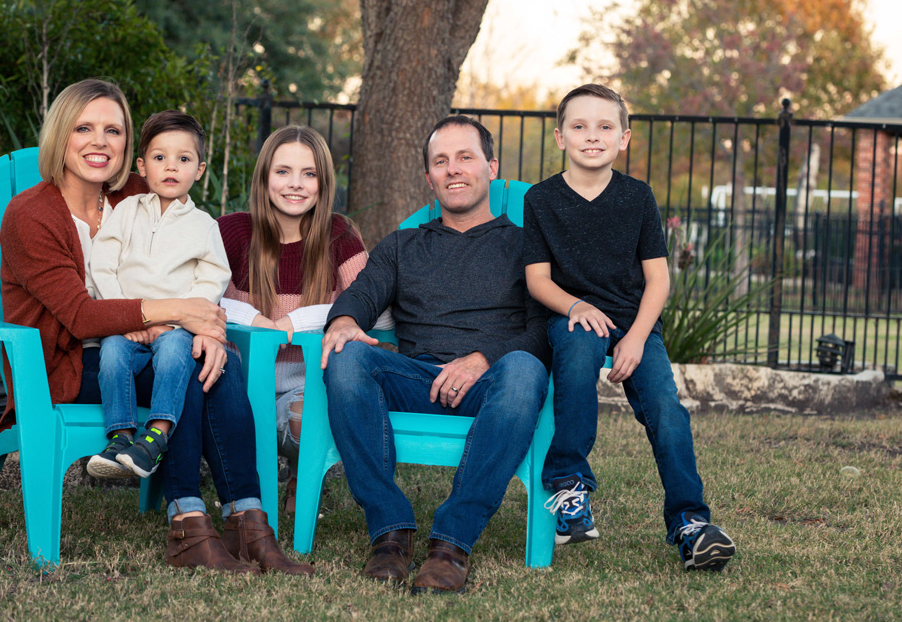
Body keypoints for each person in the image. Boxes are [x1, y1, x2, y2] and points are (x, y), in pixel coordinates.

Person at [0, 78, 312, 575]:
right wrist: (179, 315)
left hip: (144, 346)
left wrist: (207, 330)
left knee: (215, 363)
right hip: (67, 364)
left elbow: (189, 263)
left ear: (130, 146)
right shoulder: (31, 215)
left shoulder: (136, 192)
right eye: (83, 128)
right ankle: (191, 524)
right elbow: (80, 315)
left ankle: (246, 523)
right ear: (60, 135)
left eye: (113, 130)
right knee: (187, 371)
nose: (100, 142)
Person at [320, 116, 551, 595]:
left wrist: (482, 358)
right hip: (416, 381)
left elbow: (542, 331)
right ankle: (390, 530)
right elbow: (363, 293)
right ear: (429, 178)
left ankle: (451, 544)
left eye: (465, 157)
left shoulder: (527, 247)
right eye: (441, 161)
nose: (454, 169)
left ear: (491, 168)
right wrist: (343, 320)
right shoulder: (403, 245)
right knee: (346, 355)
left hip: (493, 386)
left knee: (526, 369)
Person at [522, 83, 735, 570]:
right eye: (579, 126)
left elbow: (658, 279)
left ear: (624, 138)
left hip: (633, 320)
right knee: (578, 355)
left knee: (665, 406)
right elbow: (537, 280)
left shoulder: (637, 196)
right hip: (571, 316)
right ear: (560, 137)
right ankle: (569, 487)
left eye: (605, 126)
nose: (592, 136)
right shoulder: (541, 199)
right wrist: (576, 306)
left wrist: (637, 337)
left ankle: (690, 523)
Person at [217, 125, 391, 512]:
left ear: (323, 182)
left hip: (306, 383)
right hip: (238, 379)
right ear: (264, 177)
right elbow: (198, 299)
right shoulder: (231, 231)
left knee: (302, 419)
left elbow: (374, 310)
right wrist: (255, 320)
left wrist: (297, 321)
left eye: (308, 173)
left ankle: (302, 474)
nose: (295, 184)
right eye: (283, 171)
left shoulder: (338, 235)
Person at [84, 110, 230, 480]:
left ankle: (156, 437)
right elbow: (103, 265)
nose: (171, 167)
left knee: (176, 353)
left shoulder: (203, 226)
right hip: (127, 326)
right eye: (160, 157)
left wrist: (177, 322)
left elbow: (212, 278)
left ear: (199, 170)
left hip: (174, 329)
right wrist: (126, 316)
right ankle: (120, 436)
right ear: (142, 166)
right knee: (111, 353)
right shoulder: (126, 212)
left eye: (184, 159)